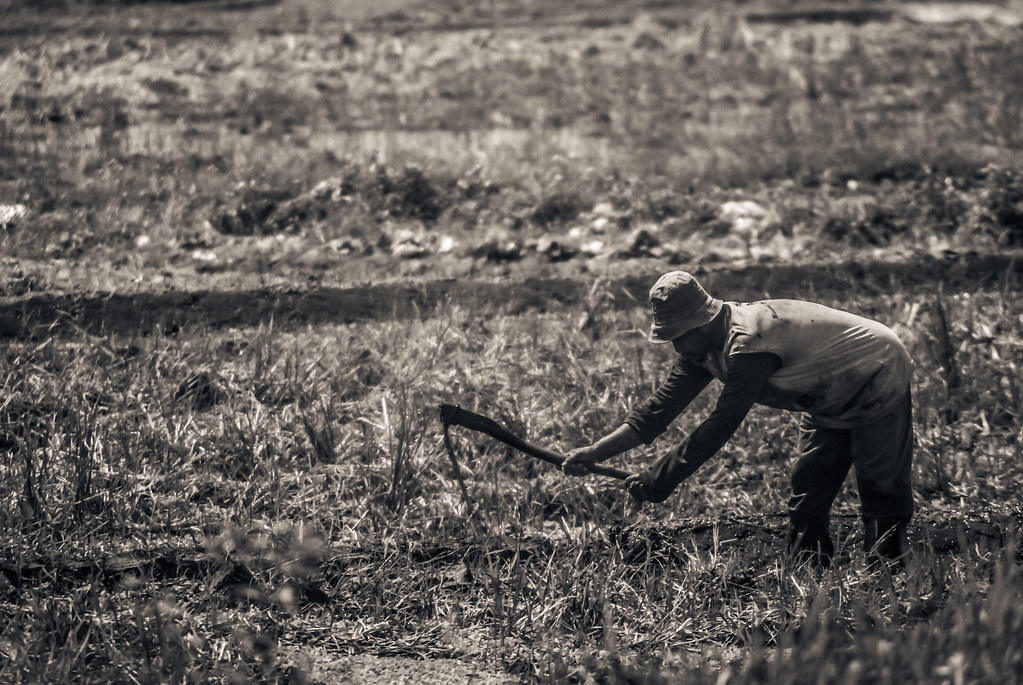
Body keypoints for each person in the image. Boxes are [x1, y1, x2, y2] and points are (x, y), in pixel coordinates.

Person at [562, 271, 915, 565]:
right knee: (809, 484)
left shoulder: (749, 344)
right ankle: (810, 568)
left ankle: (888, 570)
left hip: (874, 372)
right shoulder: (704, 347)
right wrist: (595, 452)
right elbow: (657, 411)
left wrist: (659, 479)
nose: (676, 349)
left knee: (878, 481)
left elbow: (721, 425)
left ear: (699, 326)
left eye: (677, 338)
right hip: (827, 393)